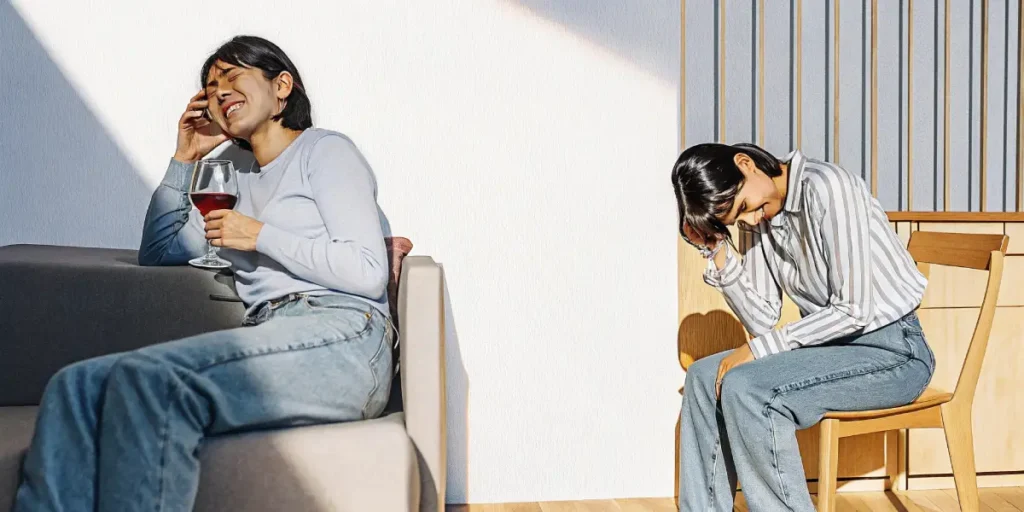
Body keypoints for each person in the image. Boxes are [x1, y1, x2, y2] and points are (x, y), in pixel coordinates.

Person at [14, 35, 395, 511]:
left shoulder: (325, 151)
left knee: (153, 380)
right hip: (272, 330)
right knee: (74, 386)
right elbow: (159, 251)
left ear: (282, 86)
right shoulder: (230, 172)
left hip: (345, 336)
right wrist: (185, 158)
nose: (220, 92)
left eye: (232, 76)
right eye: (211, 87)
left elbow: (367, 272)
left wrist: (259, 235)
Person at [672, 143, 935, 511]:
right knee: (703, 377)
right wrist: (717, 251)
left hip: (895, 353)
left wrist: (760, 349)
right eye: (735, 220)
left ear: (746, 164)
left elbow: (855, 310)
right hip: (830, 352)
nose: (749, 221)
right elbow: (763, 318)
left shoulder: (828, 187)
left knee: (748, 388)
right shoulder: (761, 216)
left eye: (744, 207)